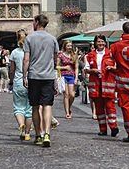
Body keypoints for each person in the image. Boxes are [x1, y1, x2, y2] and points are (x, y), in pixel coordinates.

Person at [22, 14, 59, 147]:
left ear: (37, 22)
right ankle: (47, 133)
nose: (32, 23)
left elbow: (26, 59)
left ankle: (38, 135)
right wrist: (55, 76)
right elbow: (55, 60)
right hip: (48, 76)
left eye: (33, 21)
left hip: (34, 76)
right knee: (47, 105)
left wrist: (24, 76)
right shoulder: (52, 39)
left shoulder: (30, 38)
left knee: (35, 106)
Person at [84, 35, 118, 137]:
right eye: (99, 42)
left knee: (110, 106)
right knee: (99, 108)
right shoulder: (90, 55)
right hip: (96, 84)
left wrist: (111, 67)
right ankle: (102, 129)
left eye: (102, 41)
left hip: (107, 83)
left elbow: (117, 68)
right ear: (95, 43)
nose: (100, 44)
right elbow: (86, 69)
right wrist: (92, 70)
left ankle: (113, 127)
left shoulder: (111, 54)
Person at [10, 30, 31, 140]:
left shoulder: (14, 52)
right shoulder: (31, 52)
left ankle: (21, 125)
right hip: (31, 80)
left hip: (18, 82)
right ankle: (27, 133)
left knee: (18, 107)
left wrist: (11, 80)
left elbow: (12, 70)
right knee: (29, 109)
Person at [58, 39, 78, 120]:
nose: (70, 47)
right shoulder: (61, 55)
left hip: (71, 76)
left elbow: (76, 68)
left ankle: (69, 107)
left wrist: (76, 78)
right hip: (63, 76)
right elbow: (56, 66)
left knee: (72, 95)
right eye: (68, 46)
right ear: (65, 46)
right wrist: (64, 67)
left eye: (70, 46)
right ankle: (67, 112)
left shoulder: (74, 55)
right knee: (66, 95)